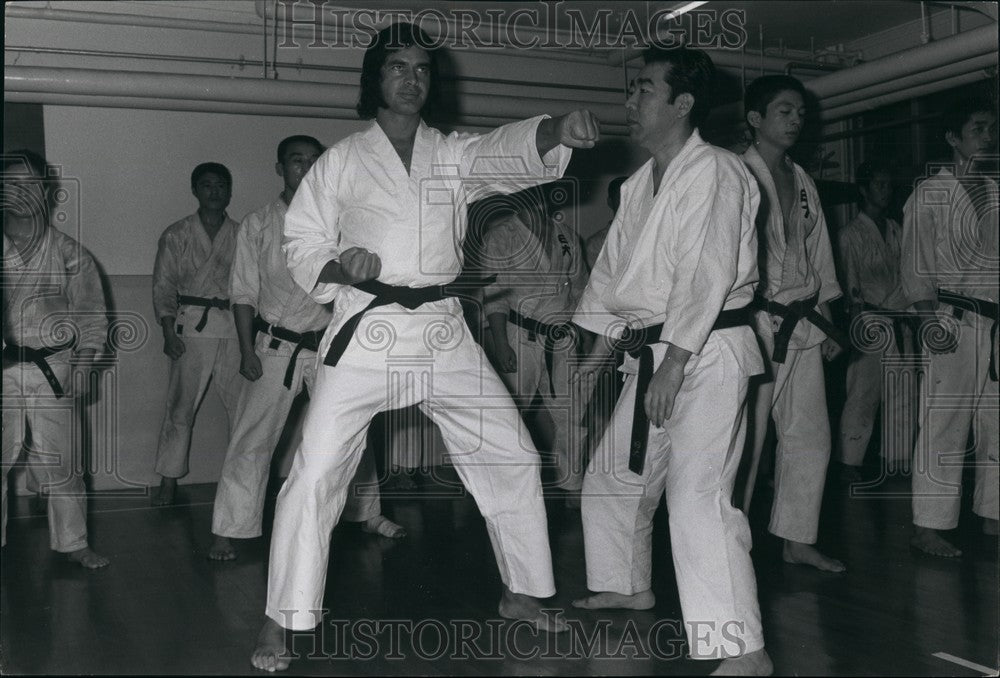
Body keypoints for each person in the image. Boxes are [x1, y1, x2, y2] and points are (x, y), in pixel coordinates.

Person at [250, 22, 599, 671]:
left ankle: (523, 592)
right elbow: (301, 239)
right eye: (396, 68)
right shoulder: (342, 160)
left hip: (441, 329)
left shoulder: (453, 152)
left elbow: (502, 153)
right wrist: (337, 268)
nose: (410, 79)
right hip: (366, 326)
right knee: (316, 471)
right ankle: (281, 619)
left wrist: (551, 132)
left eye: (421, 70)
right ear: (374, 79)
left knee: (514, 452)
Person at [570, 48, 772, 676]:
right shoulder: (637, 185)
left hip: (706, 351)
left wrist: (675, 364)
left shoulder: (715, 171)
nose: (631, 102)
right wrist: (591, 365)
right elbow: (610, 283)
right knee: (612, 475)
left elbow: (704, 276)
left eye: (645, 90)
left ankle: (744, 651)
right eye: (631, 90)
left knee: (697, 498)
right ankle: (628, 583)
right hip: (657, 351)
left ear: (683, 103)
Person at [208, 136, 404, 562]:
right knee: (252, 440)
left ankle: (367, 513)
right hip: (274, 346)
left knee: (352, 432)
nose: (307, 167)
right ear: (280, 167)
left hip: (329, 345)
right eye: (297, 160)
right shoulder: (258, 224)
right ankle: (229, 527)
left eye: (315, 161)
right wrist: (246, 352)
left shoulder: (341, 222)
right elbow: (241, 294)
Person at [740, 75, 846, 573]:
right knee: (746, 440)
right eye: (785, 110)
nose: (796, 119)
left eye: (800, 112)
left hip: (802, 321)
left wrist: (825, 319)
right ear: (755, 119)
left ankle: (797, 538)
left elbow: (819, 253)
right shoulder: (735, 175)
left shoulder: (802, 180)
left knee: (810, 437)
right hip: (754, 323)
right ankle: (727, 539)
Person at [2, 150, 109, 569]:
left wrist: (84, 368)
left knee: (63, 459)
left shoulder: (70, 253)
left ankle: (73, 542)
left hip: (54, 366)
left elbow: (91, 316)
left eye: (31, 185)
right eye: (11, 185)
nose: (22, 194)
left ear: (47, 192)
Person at [902, 96, 998, 557]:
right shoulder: (928, 194)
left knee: (997, 423)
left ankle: (993, 513)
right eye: (978, 127)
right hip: (952, 319)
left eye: (991, 128)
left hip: (994, 321)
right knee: (945, 423)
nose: (989, 136)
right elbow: (915, 266)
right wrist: (928, 323)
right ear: (952, 138)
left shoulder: (997, 192)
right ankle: (928, 525)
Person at [482, 186, 590, 499]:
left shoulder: (566, 236)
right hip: (519, 336)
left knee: (573, 412)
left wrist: (582, 332)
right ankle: (505, 490)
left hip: (562, 337)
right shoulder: (501, 237)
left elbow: (582, 289)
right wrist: (501, 343)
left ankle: (573, 485)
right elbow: (494, 296)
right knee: (510, 415)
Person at [150, 162, 242, 506]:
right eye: (207, 185)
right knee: (180, 407)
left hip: (235, 327)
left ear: (229, 191)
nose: (214, 191)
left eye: (221, 185)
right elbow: (163, 286)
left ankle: (240, 484)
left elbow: (252, 286)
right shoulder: (176, 234)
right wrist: (168, 332)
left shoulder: (243, 233)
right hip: (191, 327)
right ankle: (168, 480)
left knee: (243, 410)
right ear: (195, 190)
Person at [837, 160, 918, 481]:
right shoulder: (850, 234)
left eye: (888, 185)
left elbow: (909, 278)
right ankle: (849, 463)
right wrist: (856, 323)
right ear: (864, 190)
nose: (885, 191)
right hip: (869, 320)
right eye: (879, 185)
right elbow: (850, 284)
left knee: (903, 393)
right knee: (863, 393)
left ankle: (897, 460)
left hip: (901, 320)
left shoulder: (897, 230)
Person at [584, 176, 627, 271]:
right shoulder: (596, 244)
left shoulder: (648, 234)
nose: (627, 202)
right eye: (620, 197)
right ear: (610, 202)